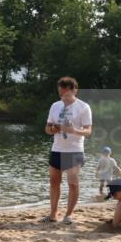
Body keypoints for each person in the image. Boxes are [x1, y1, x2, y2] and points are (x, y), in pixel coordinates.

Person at [43, 76, 93, 224]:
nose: (62, 95)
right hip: (57, 149)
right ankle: (53, 215)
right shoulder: (55, 106)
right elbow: (47, 128)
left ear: (74, 90)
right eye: (60, 92)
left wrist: (73, 130)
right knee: (54, 182)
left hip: (74, 150)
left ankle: (68, 215)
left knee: (72, 183)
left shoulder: (83, 107)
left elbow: (88, 131)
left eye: (65, 92)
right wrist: (53, 129)